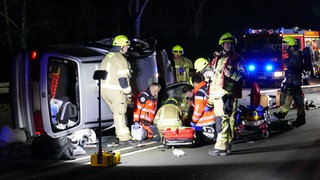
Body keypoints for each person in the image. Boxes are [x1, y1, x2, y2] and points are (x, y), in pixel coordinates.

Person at [206, 32, 247, 156]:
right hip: (216, 95)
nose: (228, 45)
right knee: (226, 120)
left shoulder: (237, 59)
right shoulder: (215, 60)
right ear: (222, 44)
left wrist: (232, 75)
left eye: (230, 43)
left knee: (223, 120)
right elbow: (213, 79)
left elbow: (245, 75)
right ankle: (227, 145)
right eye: (226, 43)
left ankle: (221, 147)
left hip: (228, 94)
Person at [100, 35, 136, 145]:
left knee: (117, 113)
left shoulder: (108, 56)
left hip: (104, 91)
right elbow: (123, 80)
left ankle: (120, 133)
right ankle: (124, 138)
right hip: (116, 91)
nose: (127, 48)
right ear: (121, 47)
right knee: (120, 113)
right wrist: (128, 93)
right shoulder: (120, 59)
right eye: (126, 46)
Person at [273, 36, 306, 127]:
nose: (284, 47)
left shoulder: (295, 54)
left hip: (295, 80)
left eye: (285, 45)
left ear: (290, 45)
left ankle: (301, 119)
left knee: (298, 99)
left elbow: (291, 65)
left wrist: (285, 60)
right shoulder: (293, 53)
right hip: (292, 79)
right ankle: (282, 114)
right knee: (289, 96)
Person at [189, 74, 216, 144]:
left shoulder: (199, 92)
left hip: (205, 122)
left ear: (194, 83)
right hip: (214, 119)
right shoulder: (208, 87)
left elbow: (198, 110)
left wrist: (193, 121)